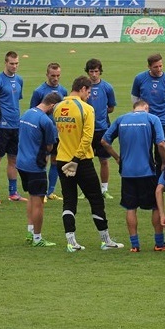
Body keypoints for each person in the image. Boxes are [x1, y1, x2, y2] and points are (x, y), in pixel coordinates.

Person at [55, 76, 123, 252]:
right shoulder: (86, 108)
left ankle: (71, 242)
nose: (89, 96)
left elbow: (59, 135)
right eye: (89, 92)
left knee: (69, 201)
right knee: (96, 199)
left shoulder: (57, 107)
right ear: (83, 89)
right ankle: (105, 240)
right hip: (81, 162)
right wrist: (76, 160)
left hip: (62, 160)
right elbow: (87, 138)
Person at [101, 100, 165, 252]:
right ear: (146, 107)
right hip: (147, 171)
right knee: (155, 207)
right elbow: (161, 144)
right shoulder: (152, 119)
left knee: (130, 208)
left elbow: (104, 141)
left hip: (127, 172)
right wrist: (164, 162)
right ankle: (159, 243)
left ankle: (134, 245)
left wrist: (118, 158)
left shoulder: (121, 119)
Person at [17, 92, 61, 247]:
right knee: (38, 203)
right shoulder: (46, 121)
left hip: (21, 163)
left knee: (31, 197)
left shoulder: (27, 113)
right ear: (52, 105)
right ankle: (37, 238)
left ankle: (30, 232)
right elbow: (50, 145)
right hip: (35, 166)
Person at [0, 51, 26, 204]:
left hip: (15, 125)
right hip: (1, 127)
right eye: (12, 63)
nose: (14, 66)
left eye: (16, 63)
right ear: (5, 63)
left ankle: (13, 192)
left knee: (14, 159)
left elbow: (16, 101)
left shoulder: (20, 80)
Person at [131, 53, 165, 175]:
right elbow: (135, 99)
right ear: (149, 67)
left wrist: (163, 113)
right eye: (156, 67)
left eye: (161, 66)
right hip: (144, 121)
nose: (159, 69)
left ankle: (159, 183)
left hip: (163, 122)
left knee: (161, 153)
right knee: (145, 152)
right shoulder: (140, 79)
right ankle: (147, 180)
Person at [30, 62, 68, 202]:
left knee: (55, 161)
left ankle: (50, 191)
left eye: (58, 75)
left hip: (58, 132)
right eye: (53, 76)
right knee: (43, 161)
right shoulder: (39, 91)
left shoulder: (63, 91)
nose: (55, 78)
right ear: (47, 75)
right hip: (43, 133)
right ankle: (42, 192)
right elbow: (33, 111)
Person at [85, 58, 117, 199]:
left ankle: (104, 189)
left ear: (100, 72)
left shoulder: (107, 87)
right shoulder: (83, 87)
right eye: (91, 71)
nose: (93, 74)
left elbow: (111, 108)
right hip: (86, 129)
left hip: (103, 129)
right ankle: (85, 189)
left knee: (104, 160)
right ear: (87, 72)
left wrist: (100, 115)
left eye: (96, 71)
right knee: (86, 160)